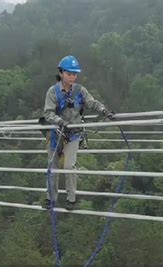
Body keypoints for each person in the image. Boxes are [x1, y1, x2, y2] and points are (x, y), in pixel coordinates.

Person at [42, 55, 114, 210]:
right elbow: (48, 113)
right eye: (69, 73)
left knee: (69, 166)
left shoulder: (80, 90)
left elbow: (91, 102)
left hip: (73, 134)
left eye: (74, 74)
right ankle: (51, 199)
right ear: (61, 73)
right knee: (53, 168)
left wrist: (104, 110)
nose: (72, 77)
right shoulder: (52, 92)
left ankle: (71, 199)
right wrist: (61, 122)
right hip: (55, 134)